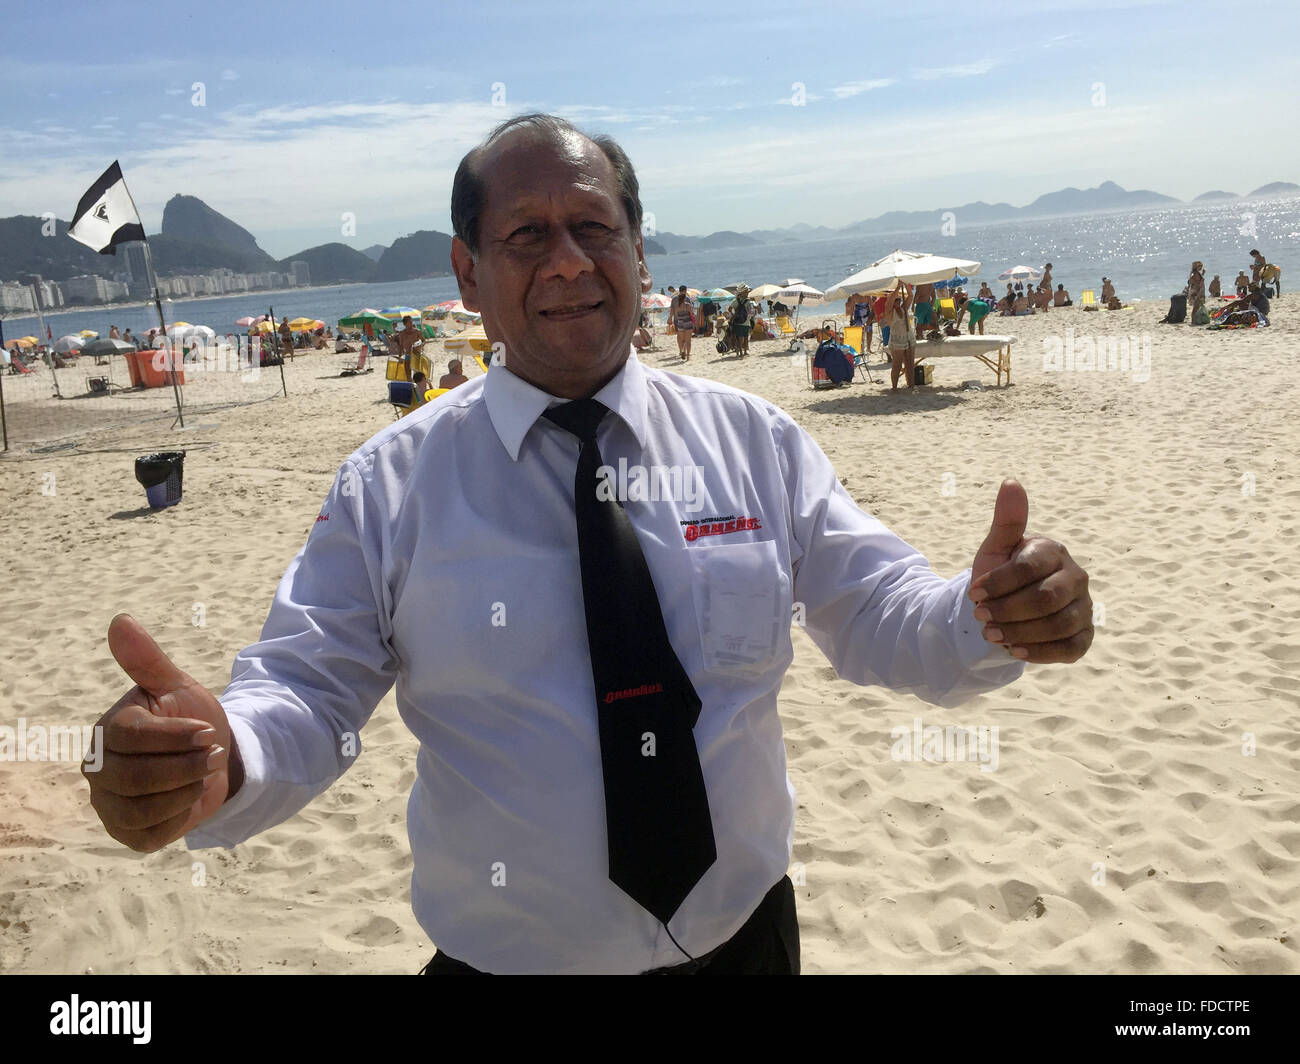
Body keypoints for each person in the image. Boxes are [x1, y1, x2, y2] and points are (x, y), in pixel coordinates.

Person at [82, 112, 1093, 976]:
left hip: (743, 942)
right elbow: (307, 689)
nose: (568, 260)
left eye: (594, 227)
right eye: (525, 234)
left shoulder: (754, 442)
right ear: (467, 272)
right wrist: (223, 756)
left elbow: (877, 609)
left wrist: (984, 616)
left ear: (641, 255)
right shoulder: (391, 485)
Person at [885, 284, 916, 391]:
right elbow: (889, 302)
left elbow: (911, 296)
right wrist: (898, 288)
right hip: (897, 340)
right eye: (896, 300)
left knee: (910, 363)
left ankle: (911, 385)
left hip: (908, 337)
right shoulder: (889, 311)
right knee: (897, 365)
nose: (898, 301)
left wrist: (906, 285)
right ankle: (894, 387)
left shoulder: (903, 308)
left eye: (899, 299)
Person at [672, 288, 695, 361]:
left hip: (680, 323)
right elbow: (692, 314)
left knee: (682, 340)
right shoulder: (687, 305)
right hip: (687, 323)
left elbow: (675, 315)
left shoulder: (676, 306)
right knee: (688, 341)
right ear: (685, 298)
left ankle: (682, 351)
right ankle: (688, 357)